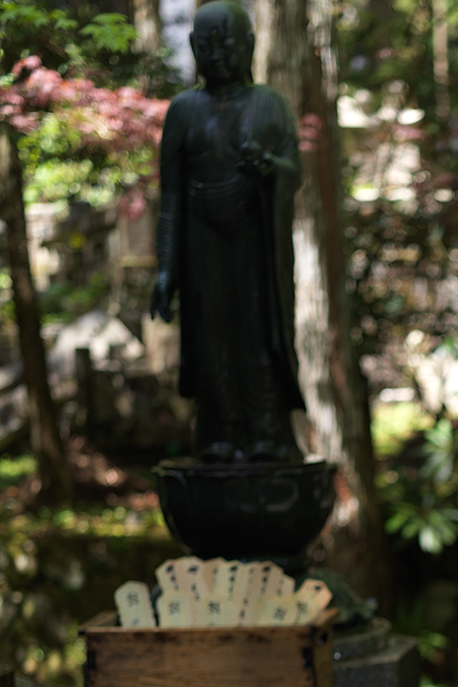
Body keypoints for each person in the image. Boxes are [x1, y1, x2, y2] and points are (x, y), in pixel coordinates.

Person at [149, 1, 305, 462]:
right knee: (209, 334)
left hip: (255, 242)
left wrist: (269, 167)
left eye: (227, 44)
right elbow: (170, 197)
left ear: (250, 46)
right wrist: (165, 268)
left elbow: (293, 172)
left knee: (258, 331)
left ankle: (266, 431)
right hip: (201, 243)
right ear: (192, 47)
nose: (216, 55)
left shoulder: (269, 104)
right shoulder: (183, 110)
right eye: (205, 46)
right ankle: (218, 431)